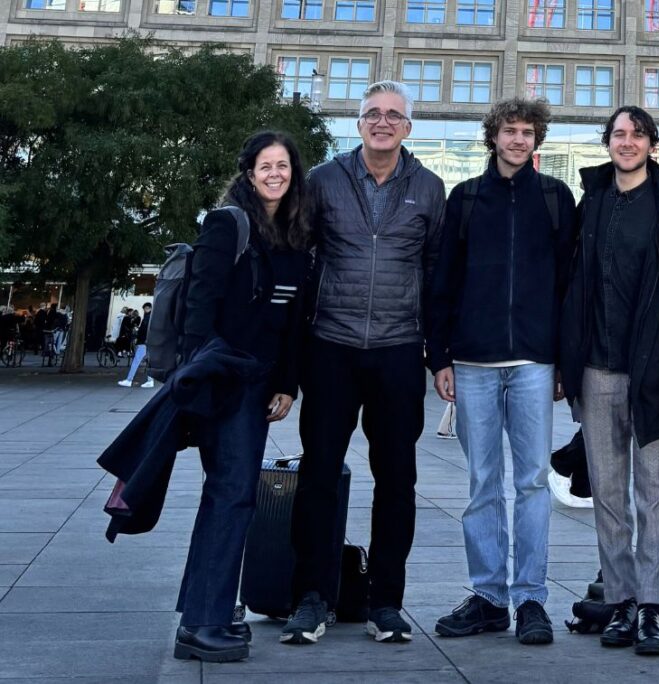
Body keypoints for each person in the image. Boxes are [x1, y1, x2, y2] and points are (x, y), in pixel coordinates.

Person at [284, 80, 446, 647]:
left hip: (399, 351)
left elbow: (436, 276)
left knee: (397, 480)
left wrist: (439, 354)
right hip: (330, 347)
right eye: (372, 114)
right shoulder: (325, 181)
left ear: (408, 126)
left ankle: (386, 602)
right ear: (358, 124)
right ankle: (310, 597)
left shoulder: (428, 188)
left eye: (393, 116)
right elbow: (297, 261)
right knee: (319, 474)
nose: (382, 122)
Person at [426, 97, 577, 646]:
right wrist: (438, 356)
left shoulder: (558, 200)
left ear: (538, 140)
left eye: (528, 132)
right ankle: (489, 597)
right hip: (472, 363)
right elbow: (441, 283)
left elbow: (568, 289)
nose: (518, 139)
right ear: (493, 137)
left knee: (533, 482)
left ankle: (531, 598)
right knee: (482, 483)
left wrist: (564, 360)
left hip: (535, 363)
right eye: (510, 131)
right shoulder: (465, 199)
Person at [560, 106, 659, 657]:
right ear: (608, 143)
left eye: (637, 134)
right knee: (610, 495)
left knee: (656, 492)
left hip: (655, 373)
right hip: (597, 370)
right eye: (619, 134)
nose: (627, 142)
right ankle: (618, 601)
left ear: (652, 145)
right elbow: (574, 277)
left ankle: (651, 606)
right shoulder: (592, 201)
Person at [172, 131, 310, 662]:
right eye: (264, 165)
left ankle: (202, 613)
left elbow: (291, 322)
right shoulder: (227, 224)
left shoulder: (293, 235)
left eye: (283, 165)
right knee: (231, 495)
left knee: (227, 495)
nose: (275, 173)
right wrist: (198, 380)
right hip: (224, 379)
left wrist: (286, 383)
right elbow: (198, 311)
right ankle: (203, 622)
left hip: (261, 382)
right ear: (248, 173)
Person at [118, 302, 154, 388]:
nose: (144, 310)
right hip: (149, 343)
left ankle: (129, 380)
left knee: (136, 362)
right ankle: (150, 381)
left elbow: (144, 330)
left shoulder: (147, 318)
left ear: (148, 308)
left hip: (143, 343)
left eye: (145, 309)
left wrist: (138, 336)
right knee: (149, 363)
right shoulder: (152, 318)